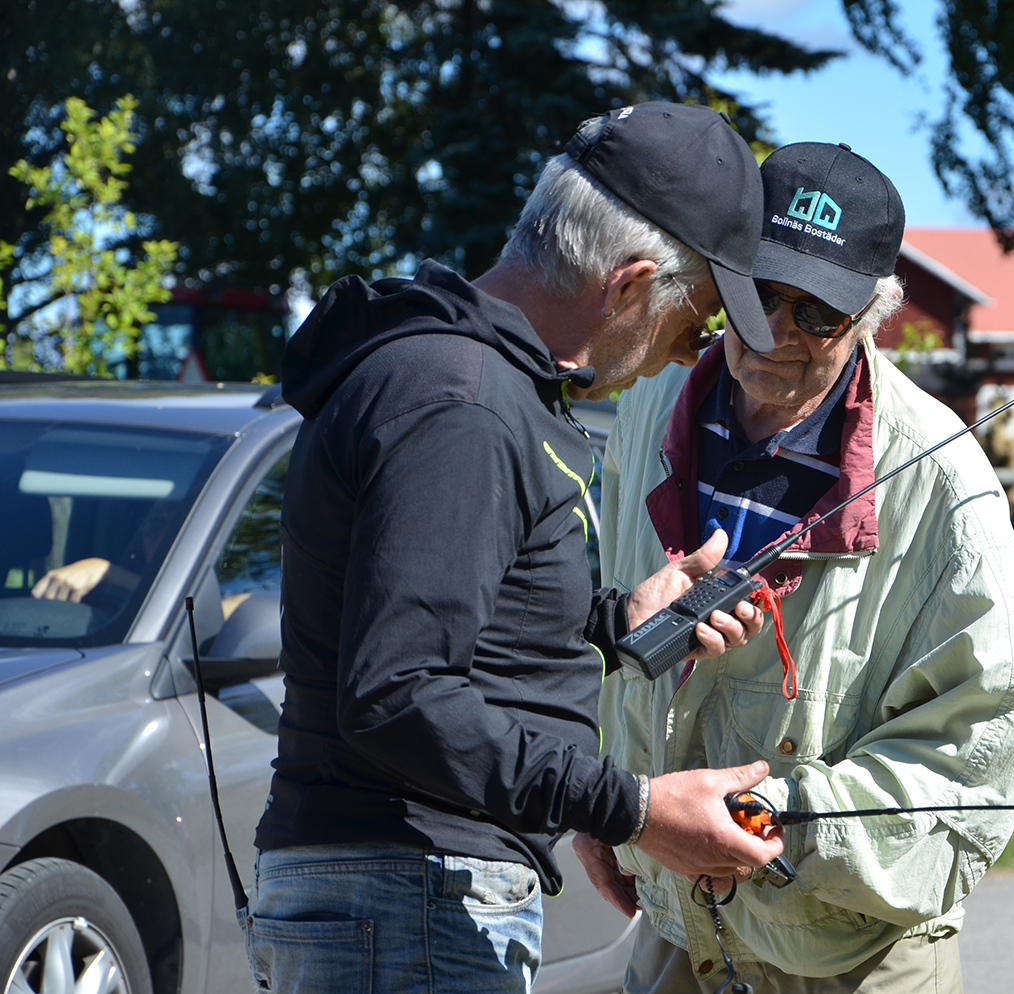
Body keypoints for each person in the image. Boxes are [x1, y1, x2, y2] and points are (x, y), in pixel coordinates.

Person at [244, 103, 786, 994]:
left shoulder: (472, 384)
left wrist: (619, 621)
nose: (690, 355)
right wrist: (640, 810)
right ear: (627, 287)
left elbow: (454, 627)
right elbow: (397, 693)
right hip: (411, 898)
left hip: (401, 903)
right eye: (692, 322)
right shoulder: (462, 403)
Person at [582, 142, 1014, 992]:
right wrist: (602, 806)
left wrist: (784, 820)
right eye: (760, 295)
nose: (777, 336)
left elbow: (981, 742)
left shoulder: (944, 477)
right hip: (674, 925)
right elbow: (594, 621)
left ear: (872, 313)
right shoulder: (648, 403)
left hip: (850, 952)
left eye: (818, 314)